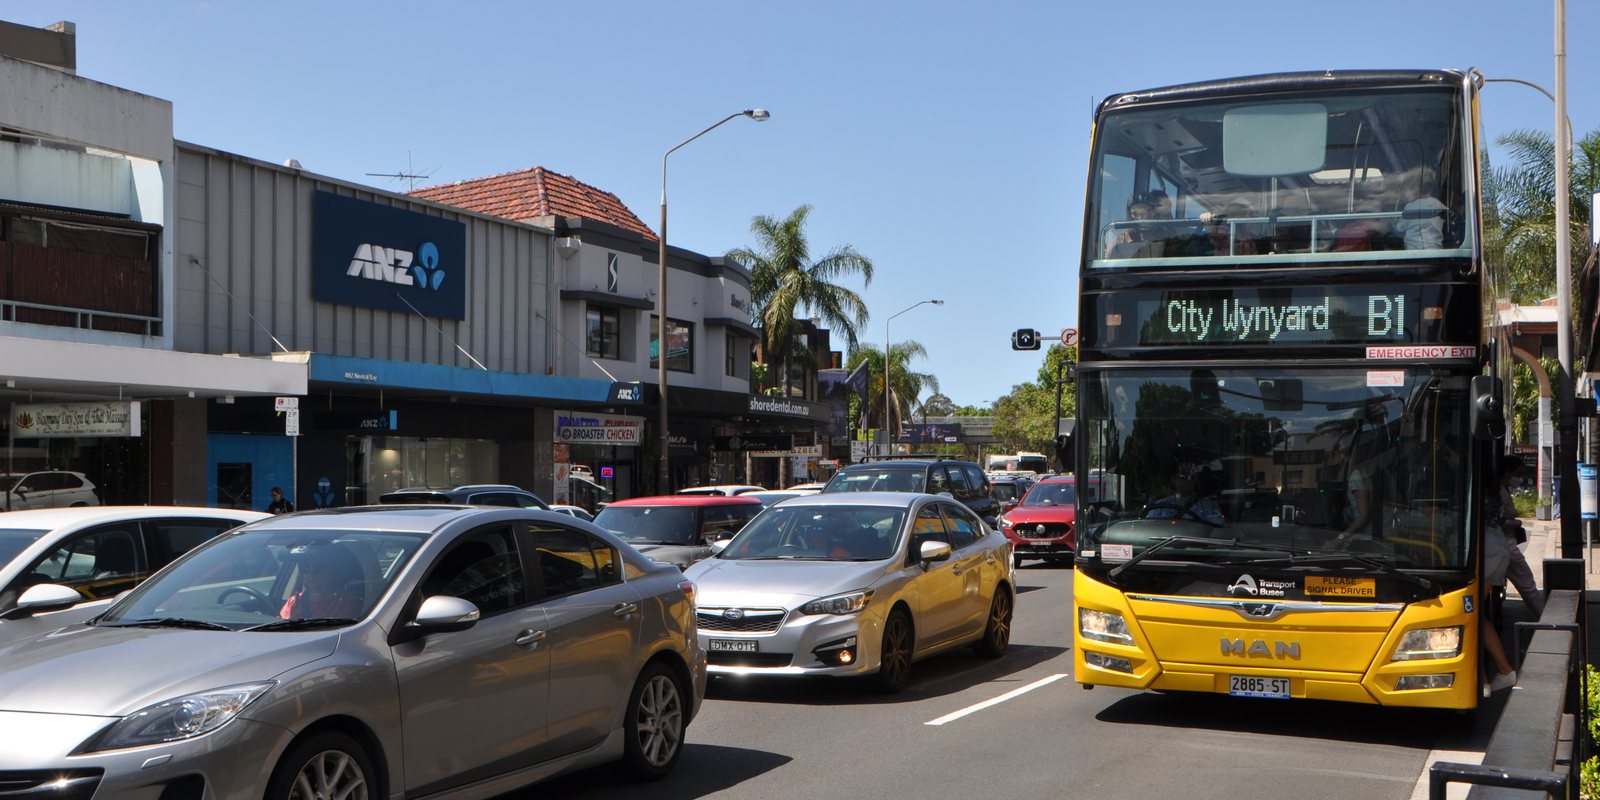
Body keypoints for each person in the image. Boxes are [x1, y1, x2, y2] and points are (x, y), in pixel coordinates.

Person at [1491, 454, 1544, 619]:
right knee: (1527, 585)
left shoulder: (1503, 490)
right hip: (1506, 545)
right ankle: (1545, 620)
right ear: (1507, 472)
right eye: (1518, 473)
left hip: (1506, 543)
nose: (1520, 478)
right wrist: (1517, 524)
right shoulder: (1499, 491)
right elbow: (1497, 520)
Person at [279, 545, 364, 621]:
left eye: (317, 568)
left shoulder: (346, 604)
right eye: (305, 568)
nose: (311, 574)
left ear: (332, 571)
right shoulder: (293, 602)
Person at [1148, 464, 1225, 525]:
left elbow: (1218, 532)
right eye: (1183, 476)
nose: (1189, 480)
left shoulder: (1209, 506)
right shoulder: (1159, 506)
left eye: (1194, 476)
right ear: (1174, 480)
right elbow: (1148, 530)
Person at [1391, 166, 1447, 250]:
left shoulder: (1410, 206)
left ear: (1417, 189)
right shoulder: (1439, 205)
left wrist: (1392, 222)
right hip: (1435, 249)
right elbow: (1448, 219)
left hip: (1413, 251)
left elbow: (1400, 227)